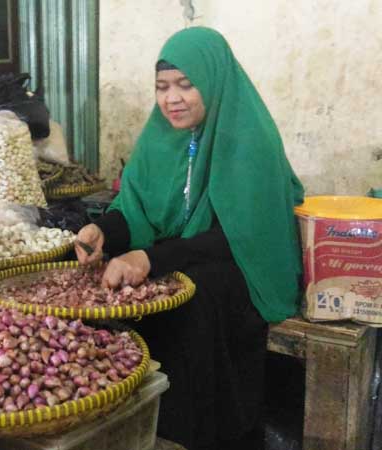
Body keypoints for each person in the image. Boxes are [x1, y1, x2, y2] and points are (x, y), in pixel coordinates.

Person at [75, 27, 303, 450]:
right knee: (110, 295)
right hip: (180, 252)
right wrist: (103, 231)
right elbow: (138, 207)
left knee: (194, 302)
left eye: (185, 84)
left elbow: (236, 235)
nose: (171, 99)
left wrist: (153, 259)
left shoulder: (250, 139)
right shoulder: (161, 137)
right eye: (162, 87)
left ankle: (203, 435)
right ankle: (139, 426)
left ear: (213, 82)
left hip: (244, 259)